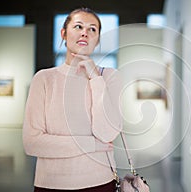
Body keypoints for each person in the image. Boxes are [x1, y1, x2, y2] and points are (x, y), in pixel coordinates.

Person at [22, 7, 122, 192]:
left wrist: (95, 79)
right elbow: (32, 143)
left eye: (92, 29)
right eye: (78, 26)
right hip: (51, 184)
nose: (85, 32)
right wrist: (92, 144)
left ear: (97, 39)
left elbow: (107, 134)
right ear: (64, 34)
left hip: (101, 183)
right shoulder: (44, 78)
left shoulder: (109, 76)